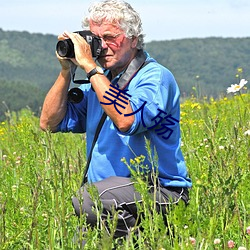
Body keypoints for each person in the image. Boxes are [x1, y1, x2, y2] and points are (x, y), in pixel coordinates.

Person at [40, 0, 192, 244]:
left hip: (160, 191)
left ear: (133, 39)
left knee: (88, 199)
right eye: (96, 39)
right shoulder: (99, 83)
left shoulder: (154, 77)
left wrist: (90, 67)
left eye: (110, 37)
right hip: (110, 199)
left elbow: (126, 120)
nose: (102, 47)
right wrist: (66, 70)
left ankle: (146, 241)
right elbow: (49, 123)